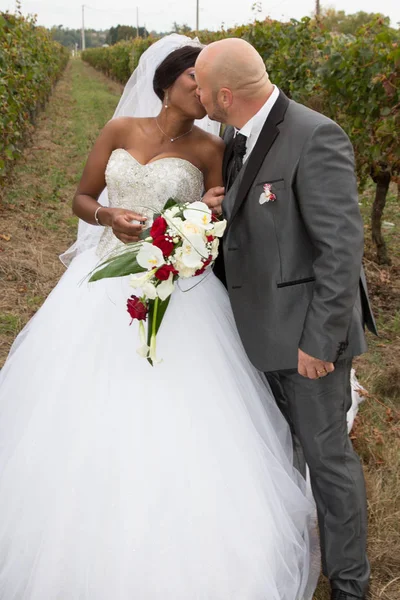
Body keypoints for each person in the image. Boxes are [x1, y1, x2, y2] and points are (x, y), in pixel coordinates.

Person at [0, 36, 319, 599]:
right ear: (168, 81)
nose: (204, 92)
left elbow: (226, 214)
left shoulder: (210, 147)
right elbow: (81, 196)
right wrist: (106, 215)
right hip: (100, 283)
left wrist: (205, 218)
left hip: (176, 287)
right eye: (194, 80)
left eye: (208, 82)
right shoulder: (120, 131)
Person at [195, 38, 377, 600]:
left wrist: (320, 343)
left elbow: (340, 251)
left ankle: (350, 585)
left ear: (225, 94)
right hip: (256, 333)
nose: (195, 93)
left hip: (306, 341)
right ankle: (291, 560)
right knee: (281, 457)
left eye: (200, 85)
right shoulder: (234, 135)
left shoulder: (315, 136)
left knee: (327, 463)